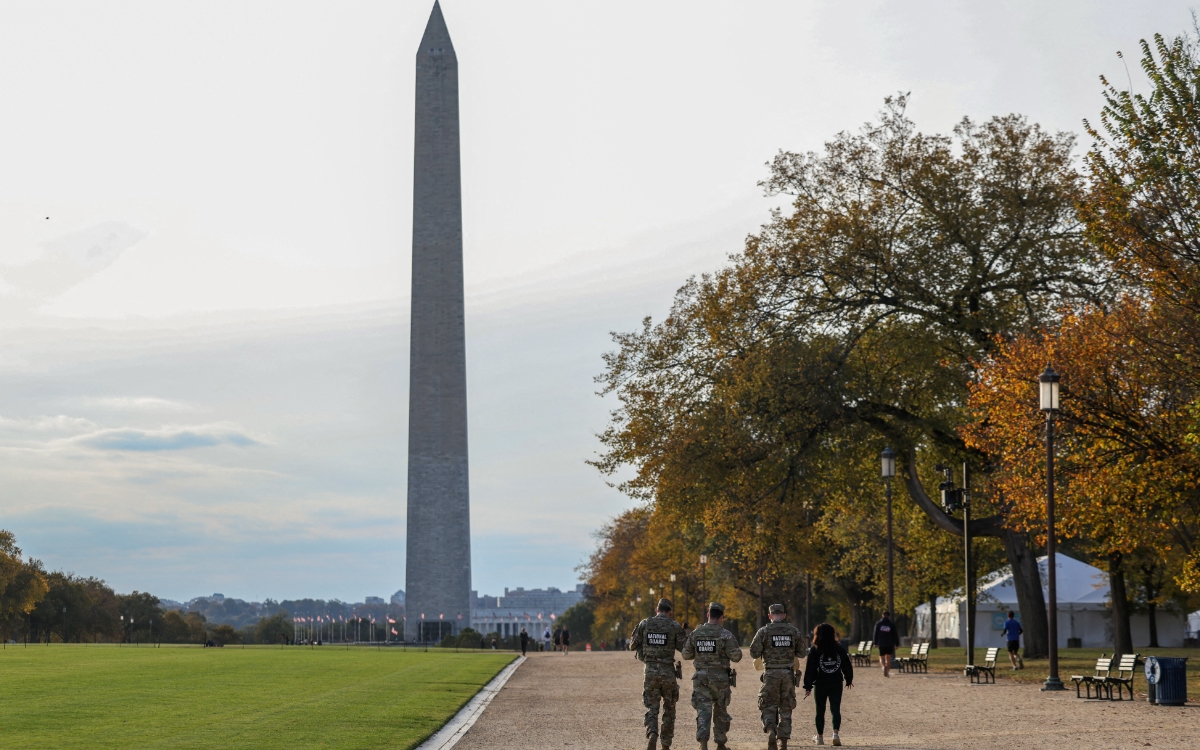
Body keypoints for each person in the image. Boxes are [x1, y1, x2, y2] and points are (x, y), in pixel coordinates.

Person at [682, 602, 743, 750]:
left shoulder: (696, 633)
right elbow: (736, 656)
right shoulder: (725, 634)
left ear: (708, 615)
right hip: (720, 679)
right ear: (722, 616)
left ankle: (703, 743)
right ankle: (720, 743)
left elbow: (685, 654)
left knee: (703, 710)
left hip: (701, 677)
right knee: (720, 710)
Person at [630, 598, 687, 750]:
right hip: (668, 672)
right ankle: (666, 744)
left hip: (650, 672)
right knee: (669, 709)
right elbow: (686, 649)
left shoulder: (645, 624)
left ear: (657, 610)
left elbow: (632, 645)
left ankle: (652, 733)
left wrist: (644, 654)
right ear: (669, 612)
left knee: (652, 707)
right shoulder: (674, 626)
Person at [750, 604, 806, 750]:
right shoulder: (793, 631)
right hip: (788, 674)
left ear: (770, 616)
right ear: (784, 615)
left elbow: (753, 652)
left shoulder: (764, 631)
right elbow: (802, 653)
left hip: (770, 673)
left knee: (768, 705)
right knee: (786, 707)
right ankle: (784, 741)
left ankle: (771, 731)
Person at [802, 623, 853, 747]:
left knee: (820, 710)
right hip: (836, 681)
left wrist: (808, 685)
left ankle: (820, 737)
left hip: (820, 683)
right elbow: (846, 663)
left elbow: (811, 669)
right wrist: (849, 678)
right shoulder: (838, 648)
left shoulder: (815, 649)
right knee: (835, 708)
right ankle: (835, 734)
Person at [872, 611, 898, 677]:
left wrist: (875, 642)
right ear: (889, 616)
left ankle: (883, 667)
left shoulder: (878, 624)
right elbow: (895, 635)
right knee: (888, 659)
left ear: (882, 615)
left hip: (881, 643)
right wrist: (897, 644)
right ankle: (887, 672)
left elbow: (875, 634)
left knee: (882, 658)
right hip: (890, 643)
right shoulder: (891, 624)